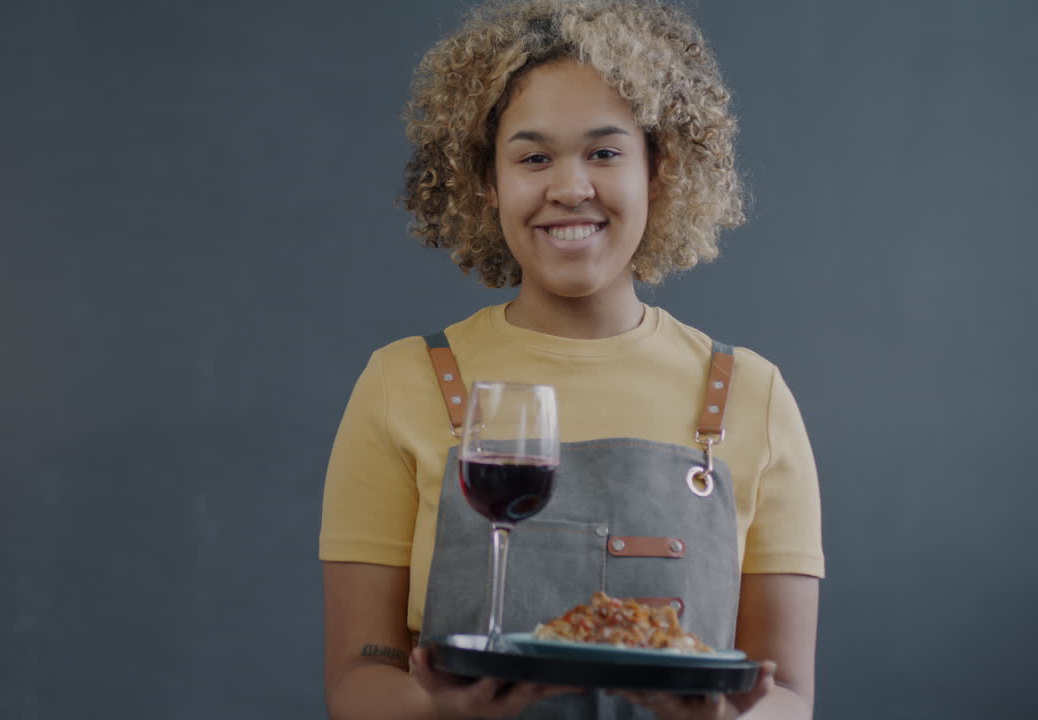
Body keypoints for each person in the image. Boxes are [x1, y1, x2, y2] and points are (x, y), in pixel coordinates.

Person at [319, 1, 823, 718]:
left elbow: (791, 696)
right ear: (487, 182)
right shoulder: (401, 383)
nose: (569, 187)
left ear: (660, 169)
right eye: (532, 157)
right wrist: (440, 715)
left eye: (605, 152)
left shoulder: (752, 395)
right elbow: (354, 678)